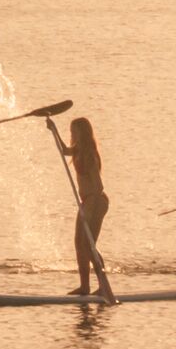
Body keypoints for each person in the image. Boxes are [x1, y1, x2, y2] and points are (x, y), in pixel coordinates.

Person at [65, 114, 114, 299]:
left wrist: (90, 206)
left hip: (96, 201)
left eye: (74, 131)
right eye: (71, 132)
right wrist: (52, 129)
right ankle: (84, 286)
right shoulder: (77, 150)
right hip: (87, 201)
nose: (72, 135)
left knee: (89, 245)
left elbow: (98, 186)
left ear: (83, 133)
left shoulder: (90, 154)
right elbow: (64, 150)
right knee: (80, 243)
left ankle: (103, 286)